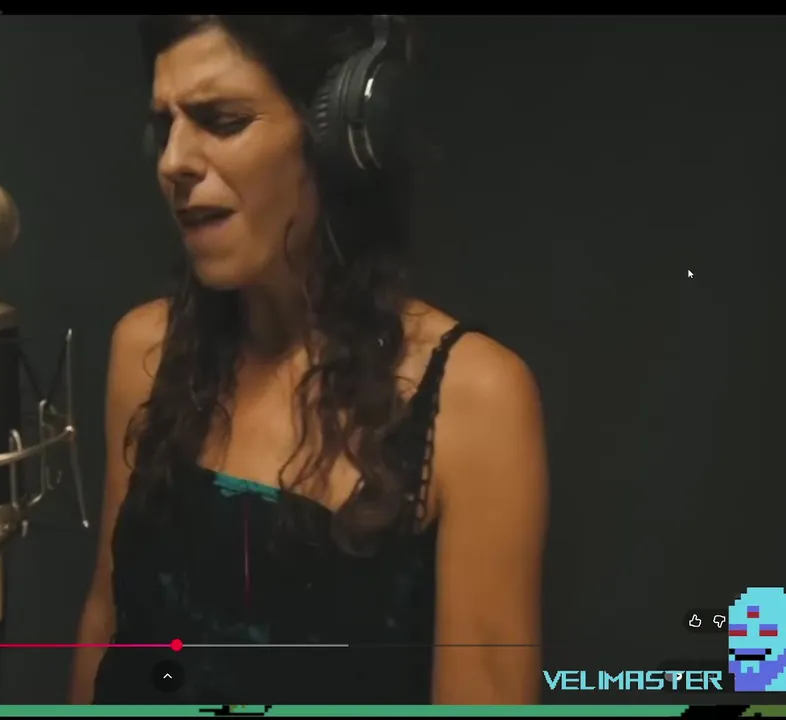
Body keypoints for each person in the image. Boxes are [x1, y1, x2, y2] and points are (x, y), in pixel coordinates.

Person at [69, 15, 548, 704]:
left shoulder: (474, 400)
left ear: (342, 136)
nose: (173, 160)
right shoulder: (143, 351)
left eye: (222, 121)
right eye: (164, 126)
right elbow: (106, 624)